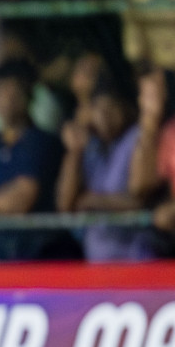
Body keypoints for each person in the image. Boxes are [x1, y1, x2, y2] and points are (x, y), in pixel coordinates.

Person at [0, 60, 65, 262]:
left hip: (34, 254)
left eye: (13, 92)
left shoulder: (42, 142)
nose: (6, 99)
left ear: (29, 95)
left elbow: (22, 198)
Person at [58, 77, 158, 262]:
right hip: (97, 263)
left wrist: (91, 201)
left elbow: (140, 202)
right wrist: (74, 151)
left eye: (111, 107)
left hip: (135, 260)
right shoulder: (91, 145)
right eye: (98, 108)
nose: (104, 115)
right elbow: (66, 205)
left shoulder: (137, 138)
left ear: (126, 107)